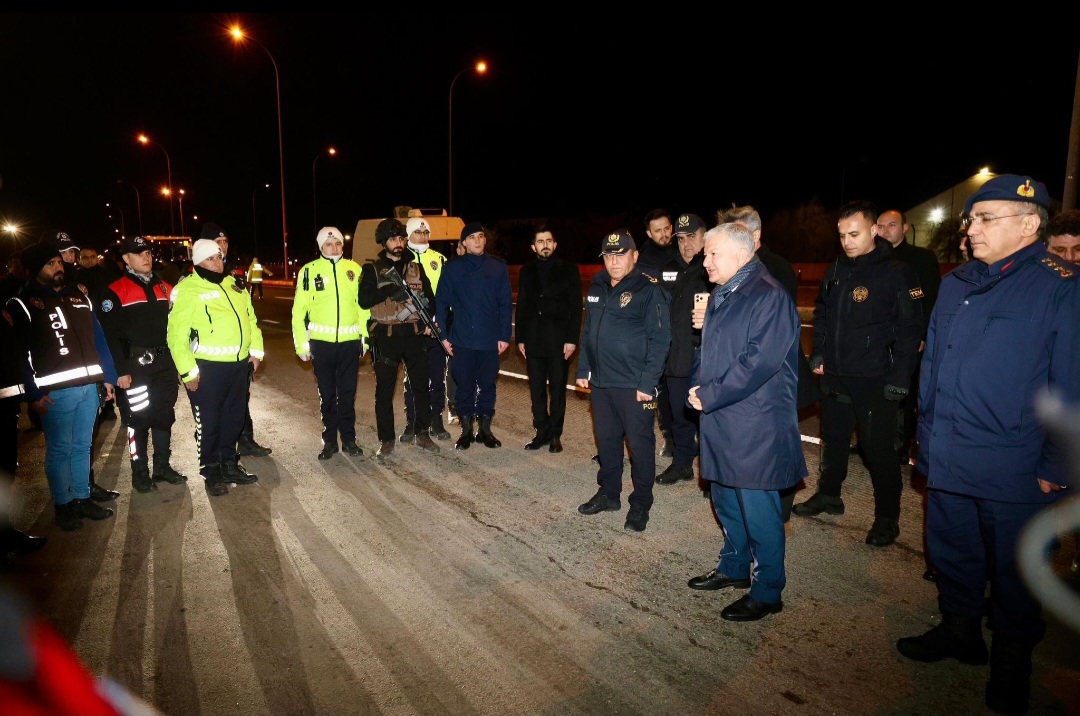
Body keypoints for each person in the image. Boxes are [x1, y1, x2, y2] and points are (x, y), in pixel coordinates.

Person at [894, 175, 1080, 716]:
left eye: (985, 219)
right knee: (954, 554)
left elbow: (1071, 383)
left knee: (1018, 571)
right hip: (949, 451)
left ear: (1029, 225)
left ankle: (1012, 664)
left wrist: (1055, 464)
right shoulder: (958, 283)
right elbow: (933, 365)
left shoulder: (1060, 285)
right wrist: (923, 440)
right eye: (971, 219)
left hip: (1015, 463)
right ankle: (959, 633)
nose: (970, 229)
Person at [686, 223, 806, 621]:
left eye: (712, 254)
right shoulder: (725, 292)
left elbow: (759, 363)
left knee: (759, 510)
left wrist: (710, 394)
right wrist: (696, 386)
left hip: (754, 424)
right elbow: (707, 349)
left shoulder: (769, 296)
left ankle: (768, 590)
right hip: (721, 418)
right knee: (725, 499)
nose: (705, 262)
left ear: (741, 253)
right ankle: (734, 567)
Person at [793, 200, 924, 547]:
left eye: (854, 234)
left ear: (874, 231)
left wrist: (901, 378)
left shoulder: (896, 272)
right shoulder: (837, 268)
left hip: (875, 378)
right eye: (842, 235)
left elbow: (911, 331)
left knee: (877, 449)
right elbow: (822, 312)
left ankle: (887, 519)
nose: (847, 241)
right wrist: (819, 351)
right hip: (836, 374)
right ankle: (829, 496)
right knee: (833, 440)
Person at [7, 241, 118, 531]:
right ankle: (63, 504)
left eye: (59, 262)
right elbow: (20, 353)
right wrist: (33, 394)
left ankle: (82, 497)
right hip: (56, 391)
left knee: (83, 446)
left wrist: (108, 376)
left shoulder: (78, 295)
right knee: (60, 449)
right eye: (50, 264)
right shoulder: (22, 303)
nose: (58, 268)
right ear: (33, 270)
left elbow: (99, 337)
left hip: (89, 386)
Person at [719, 204, 820, 519]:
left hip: (776, 377)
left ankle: (781, 511)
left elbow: (774, 333)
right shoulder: (734, 266)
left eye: (737, 232)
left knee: (776, 446)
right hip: (745, 371)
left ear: (756, 234)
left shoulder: (775, 269)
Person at [575, 230, 671, 532]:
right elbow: (589, 332)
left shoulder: (648, 289)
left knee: (640, 447)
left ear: (635, 256)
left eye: (620, 254)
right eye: (608, 255)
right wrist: (583, 369)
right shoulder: (598, 285)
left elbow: (660, 339)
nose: (614, 261)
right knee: (607, 443)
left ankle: (641, 503)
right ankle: (609, 493)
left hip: (634, 385)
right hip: (602, 384)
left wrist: (647, 383)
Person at [167, 238, 264, 497]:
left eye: (219, 257)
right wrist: (188, 371)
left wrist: (255, 352)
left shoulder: (234, 285)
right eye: (211, 258)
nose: (217, 262)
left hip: (237, 366)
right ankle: (211, 471)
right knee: (209, 423)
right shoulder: (187, 289)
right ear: (197, 261)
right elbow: (176, 336)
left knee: (234, 418)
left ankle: (229, 464)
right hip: (207, 369)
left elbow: (251, 320)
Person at [96, 235, 186, 493]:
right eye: (139, 253)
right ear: (126, 259)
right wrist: (120, 371)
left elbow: (179, 328)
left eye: (148, 252)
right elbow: (110, 336)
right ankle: (140, 472)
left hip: (165, 363)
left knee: (164, 415)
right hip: (135, 366)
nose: (146, 257)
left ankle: (162, 467)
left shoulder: (166, 288)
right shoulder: (114, 292)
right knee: (138, 418)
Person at [358, 219, 442, 460]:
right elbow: (364, 301)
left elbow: (431, 299)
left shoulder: (415, 268)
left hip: (414, 336)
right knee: (384, 391)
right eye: (394, 239)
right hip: (387, 337)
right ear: (383, 242)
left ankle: (422, 433)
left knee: (420, 388)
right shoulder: (372, 269)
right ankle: (386, 440)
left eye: (402, 239)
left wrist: (427, 322)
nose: (399, 243)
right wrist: (389, 291)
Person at [292, 227, 369, 460]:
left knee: (347, 394)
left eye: (337, 244)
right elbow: (298, 313)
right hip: (321, 345)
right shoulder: (308, 272)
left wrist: (364, 338)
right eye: (328, 244)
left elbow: (362, 308)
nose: (334, 248)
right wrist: (302, 346)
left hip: (349, 344)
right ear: (320, 247)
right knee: (327, 395)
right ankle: (329, 442)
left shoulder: (354, 270)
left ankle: (349, 439)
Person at [434, 222, 513, 450]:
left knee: (488, 385)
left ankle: (485, 431)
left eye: (481, 236)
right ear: (464, 243)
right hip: (462, 340)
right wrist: (444, 337)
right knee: (464, 385)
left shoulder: (497, 268)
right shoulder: (452, 268)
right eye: (472, 237)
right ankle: (466, 431)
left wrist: (505, 335)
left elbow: (505, 304)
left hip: (489, 340)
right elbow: (442, 304)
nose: (477, 240)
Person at [200, 223, 272, 458]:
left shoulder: (234, 274)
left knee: (240, 401)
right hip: (211, 361)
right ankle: (214, 456)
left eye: (225, 242)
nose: (223, 247)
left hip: (238, 356)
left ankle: (244, 440)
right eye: (217, 242)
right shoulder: (194, 276)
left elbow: (249, 317)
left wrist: (254, 352)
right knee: (213, 411)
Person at [876, 209, 941, 464]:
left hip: (907, 337)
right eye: (880, 226)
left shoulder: (921, 258)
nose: (885, 231)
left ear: (904, 228)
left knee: (905, 391)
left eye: (891, 225)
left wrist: (922, 334)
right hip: (879, 338)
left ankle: (900, 445)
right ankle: (875, 440)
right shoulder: (871, 258)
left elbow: (930, 299)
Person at [514, 226, 582, 453]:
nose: (545, 245)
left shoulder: (570, 270)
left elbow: (576, 308)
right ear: (534, 247)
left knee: (558, 390)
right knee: (536, 391)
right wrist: (520, 338)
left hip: (559, 340)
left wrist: (572, 339)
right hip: (533, 339)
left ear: (555, 245)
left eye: (549, 241)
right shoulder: (526, 271)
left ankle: (555, 435)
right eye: (540, 241)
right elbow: (522, 305)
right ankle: (541, 431)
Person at [655, 214, 707, 485]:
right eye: (682, 238)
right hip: (674, 357)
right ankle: (683, 464)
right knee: (678, 415)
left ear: (704, 235)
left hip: (704, 357)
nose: (687, 244)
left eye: (692, 237)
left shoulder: (712, 266)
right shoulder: (667, 268)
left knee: (707, 419)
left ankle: (712, 475)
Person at [0, 302, 46, 560]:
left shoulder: (4, 308)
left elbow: (17, 352)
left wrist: (31, 391)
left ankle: (6, 535)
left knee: (7, 471)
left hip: (7, 405)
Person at [400, 217, 452, 442]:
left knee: (437, 377)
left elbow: (448, 293)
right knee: (412, 378)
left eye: (425, 232)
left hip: (437, 327)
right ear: (408, 235)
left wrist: (441, 320)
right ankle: (412, 421)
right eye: (418, 232)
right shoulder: (401, 260)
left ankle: (436, 421)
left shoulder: (440, 259)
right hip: (412, 328)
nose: (423, 236)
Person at [636, 209, 678, 458]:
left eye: (666, 228)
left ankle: (687, 436)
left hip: (683, 333)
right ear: (648, 233)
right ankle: (669, 437)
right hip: (655, 334)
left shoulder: (683, 251)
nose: (664, 234)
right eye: (657, 231)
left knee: (681, 388)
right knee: (659, 391)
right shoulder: (642, 261)